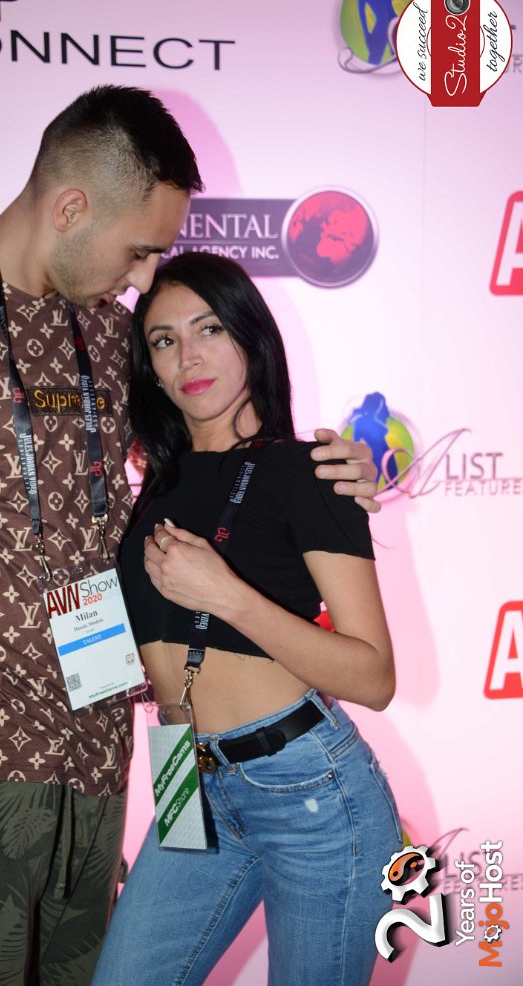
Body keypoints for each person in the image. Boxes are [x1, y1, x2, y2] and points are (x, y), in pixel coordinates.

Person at [0, 85, 379, 984]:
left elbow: (217, 455)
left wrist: (340, 471)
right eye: (138, 250)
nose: (143, 276)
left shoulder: (120, 336)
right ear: (70, 208)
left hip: (108, 759)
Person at [92, 253, 402, 986]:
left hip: (309, 790)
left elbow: (375, 678)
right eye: (164, 340)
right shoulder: (154, 487)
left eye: (209, 329)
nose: (188, 356)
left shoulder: (308, 471)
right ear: (149, 367)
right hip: (185, 777)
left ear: (250, 338)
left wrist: (226, 595)